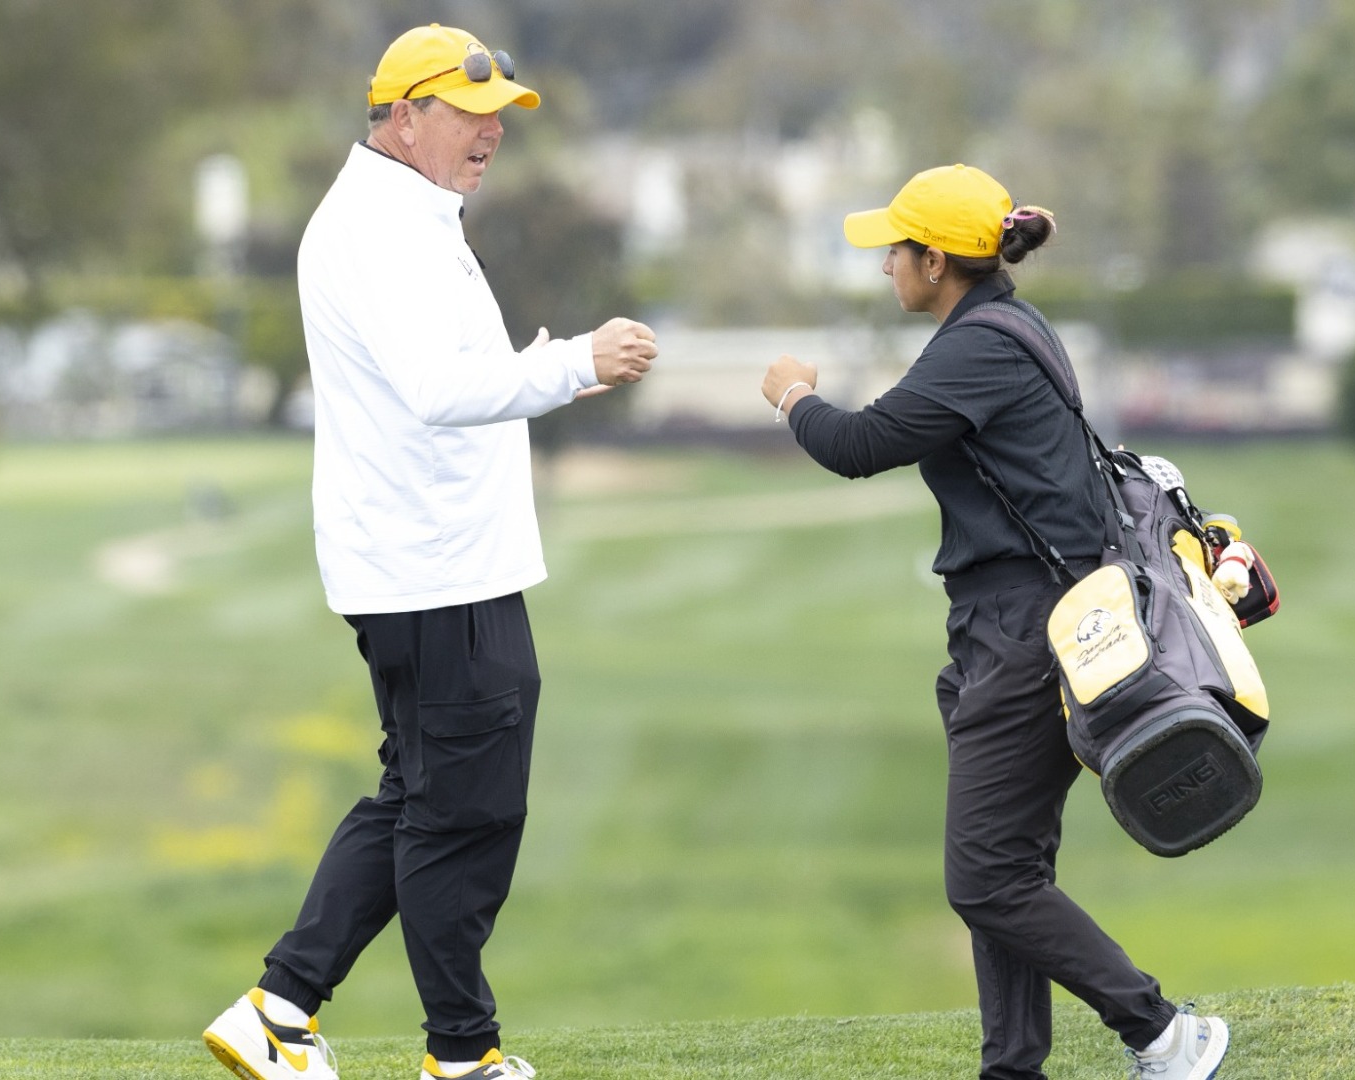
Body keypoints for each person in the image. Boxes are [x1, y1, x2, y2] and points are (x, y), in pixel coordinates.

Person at [202, 23, 657, 1080]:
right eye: (469, 113)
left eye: (499, 117)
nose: (491, 134)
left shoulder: (403, 212)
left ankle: (278, 1011)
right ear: (404, 117)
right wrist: (574, 360)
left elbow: (454, 372)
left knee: (420, 796)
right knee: (468, 812)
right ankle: (462, 1055)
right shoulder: (383, 229)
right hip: (436, 567)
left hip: (433, 563)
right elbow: (441, 390)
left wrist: (563, 371)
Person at [760, 164, 1229, 1080]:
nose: (884, 264)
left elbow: (858, 446)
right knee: (1010, 867)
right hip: (1025, 629)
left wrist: (792, 394)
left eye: (894, 250)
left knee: (983, 876)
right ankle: (1012, 1067)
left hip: (1024, 638)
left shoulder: (978, 349)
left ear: (935, 262)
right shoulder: (1004, 325)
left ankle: (1164, 1033)